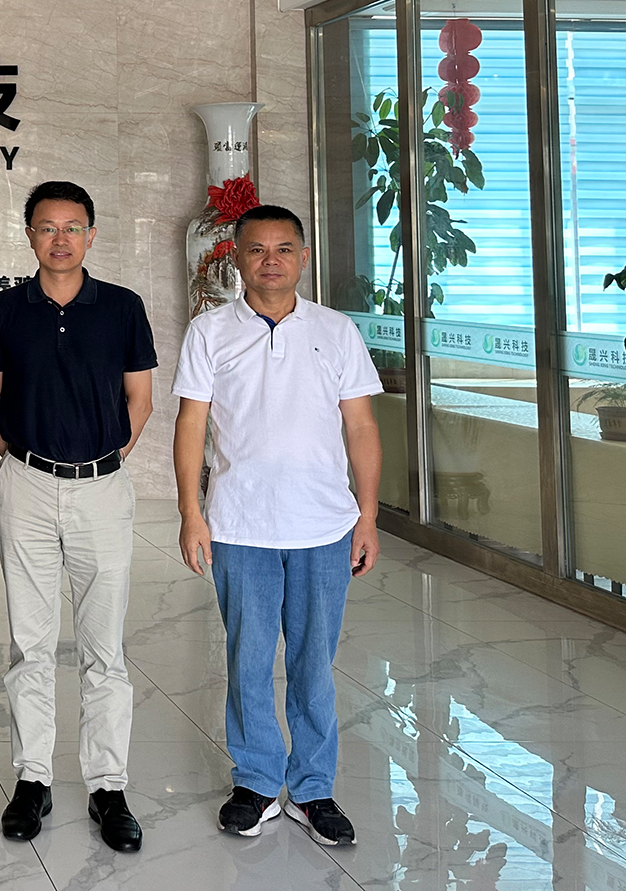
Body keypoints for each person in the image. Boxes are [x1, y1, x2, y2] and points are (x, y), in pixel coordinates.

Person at [171, 204, 383, 847]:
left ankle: (314, 789)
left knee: (315, 663)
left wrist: (368, 516)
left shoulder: (336, 330)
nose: (271, 261)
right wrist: (190, 513)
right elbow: (190, 424)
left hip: (324, 526)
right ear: (237, 258)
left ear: (303, 258)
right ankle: (257, 783)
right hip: (240, 525)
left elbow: (361, 426)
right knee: (249, 659)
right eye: (257, 250)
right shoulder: (210, 331)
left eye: (284, 249)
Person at [0, 181, 154, 851]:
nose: (60, 239)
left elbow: (140, 400)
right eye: (47, 227)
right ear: (29, 236)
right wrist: (21, 460)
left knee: (105, 649)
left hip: (102, 489)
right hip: (25, 485)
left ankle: (108, 786)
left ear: (91, 235)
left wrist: (102, 460)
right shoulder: (1, 310)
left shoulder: (123, 307)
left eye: (72, 227)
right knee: (31, 643)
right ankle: (33, 779)